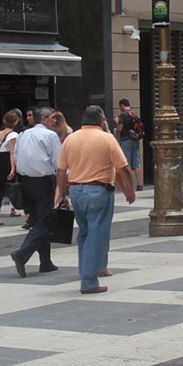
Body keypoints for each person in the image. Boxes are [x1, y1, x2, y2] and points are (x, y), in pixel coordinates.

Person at [56, 105, 134, 293]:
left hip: (76, 191)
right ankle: (89, 281)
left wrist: (62, 193)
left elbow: (60, 170)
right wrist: (128, 189)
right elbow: (122, 167)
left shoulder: (70, 139)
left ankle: (86, 271)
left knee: (84, 234)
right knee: (96, 234)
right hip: (99, 191)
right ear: (101, 121)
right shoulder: (107, 139)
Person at [9, 106, 62, 277]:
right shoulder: (50, 135)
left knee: (38, 220)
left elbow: (17, 157)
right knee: (45, 221)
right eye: (53, 118)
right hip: (43, 181)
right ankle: (22, 254)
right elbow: (58, 163)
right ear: (45, 119)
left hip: (26, 181)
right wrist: (62, 188)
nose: (55, 121)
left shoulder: (24, 134)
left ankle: (45, 261)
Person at [0, 109, 23, 225]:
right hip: (8, 162)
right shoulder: (14, 135)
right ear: (15, 122)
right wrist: (13, 168)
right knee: (14, 187)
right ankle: (16, 209)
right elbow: (12, 152)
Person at [115, 97, 145, 192]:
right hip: (135, 140)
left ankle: (129, 185)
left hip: (126, 140)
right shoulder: (134, 114)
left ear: (122, 105)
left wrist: (116, 122)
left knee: (126, 163)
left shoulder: (123, 115)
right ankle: (140, 185)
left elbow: (119, 129)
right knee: (136, 163)